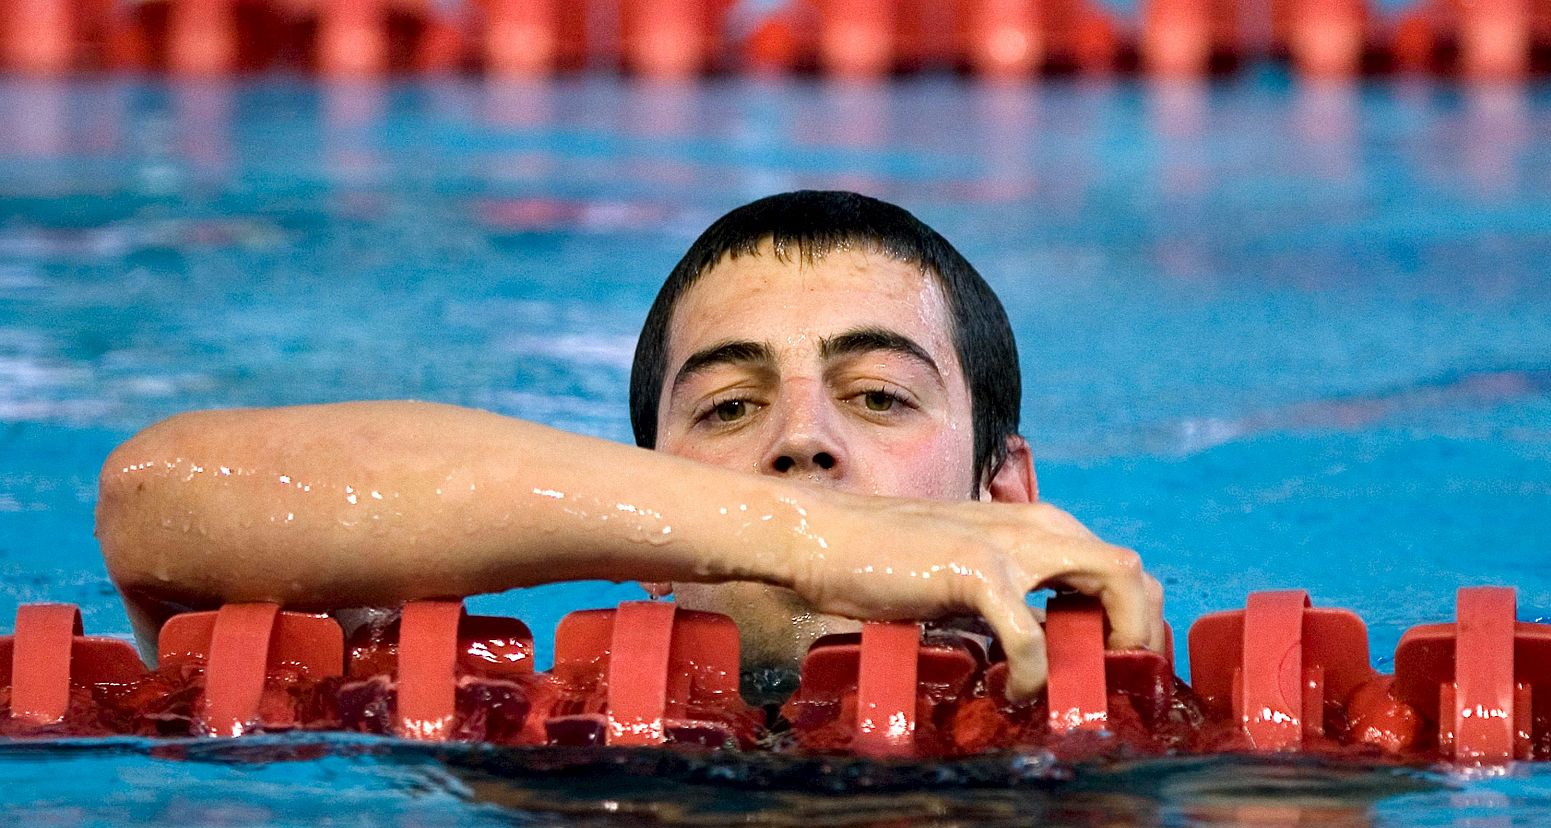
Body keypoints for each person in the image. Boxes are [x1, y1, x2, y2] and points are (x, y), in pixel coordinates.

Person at [95, 190, 1162, 702]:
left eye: (879, 396)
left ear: (1005, 495)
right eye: (729, 409)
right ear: (644, 516)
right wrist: (800, 536)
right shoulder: (513, 724)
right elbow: (158, 501)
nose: (804, 441)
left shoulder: (1164, 744)